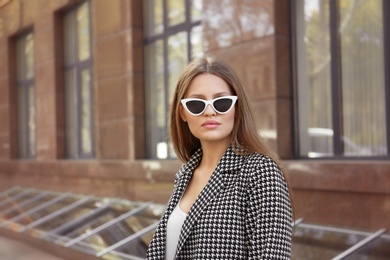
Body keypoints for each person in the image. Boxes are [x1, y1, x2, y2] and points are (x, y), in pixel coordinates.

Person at [146, 56, 293, 259]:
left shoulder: (260, 172)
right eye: (197, 104)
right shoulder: (185, 175)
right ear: (183, 112)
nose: (209, 111)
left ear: (236, 108)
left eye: (221, 102)